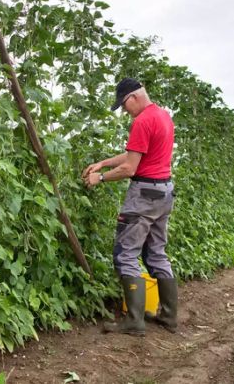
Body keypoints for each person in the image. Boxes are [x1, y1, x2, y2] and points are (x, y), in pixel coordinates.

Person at [81, 78, 177, 336]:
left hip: (143, 195)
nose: (125, 111)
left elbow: (129, 168)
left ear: (133, 97)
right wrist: (103, 163)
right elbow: (134, 154)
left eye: (124, 105)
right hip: (164, 191)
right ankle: (169, 317)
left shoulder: (143, 120)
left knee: (126, 254)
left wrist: (99, 178)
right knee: (156, 253)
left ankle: (134, 321)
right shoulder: (163, 116)